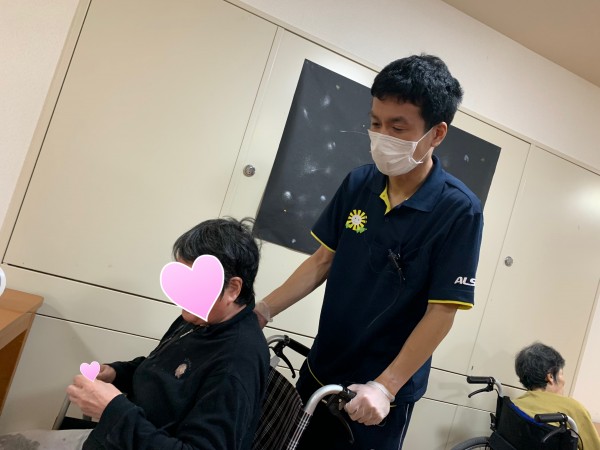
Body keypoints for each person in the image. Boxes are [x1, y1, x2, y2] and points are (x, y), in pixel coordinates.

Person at [254, 54, 483, 449]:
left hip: (378, 393)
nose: (381, 136)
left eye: (398, 127)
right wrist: (262, 311)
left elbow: (443, 310)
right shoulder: (359, 183)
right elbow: (321, 260)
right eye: (376, 123)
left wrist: (386, 386)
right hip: (322, 368)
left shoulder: (459, 210)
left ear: (437, 133)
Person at [0, 218, 269, 450]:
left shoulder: (236, 363)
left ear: (233, 289)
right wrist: (117, 374)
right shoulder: (200, 318)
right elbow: (161, 368)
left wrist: (112, 410)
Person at [513, 342, 600, 450]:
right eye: (561, 373)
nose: (564, 380)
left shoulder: (515, 404)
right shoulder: (573, 409)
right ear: (550, 377)